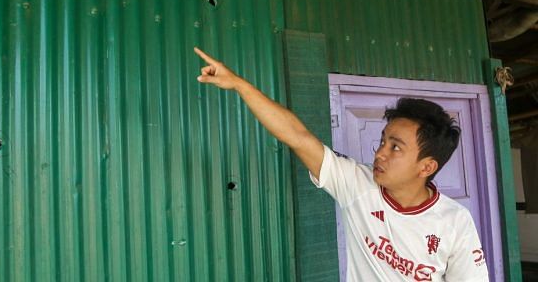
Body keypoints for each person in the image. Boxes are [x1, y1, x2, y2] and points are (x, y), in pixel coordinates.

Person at [193, 47, 489, 281]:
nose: (380, 153)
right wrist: (239, 85)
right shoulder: (357, 184)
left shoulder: (455, 222)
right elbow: (297, 137)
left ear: (426, 167)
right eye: (383, 141)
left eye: (395, 147)